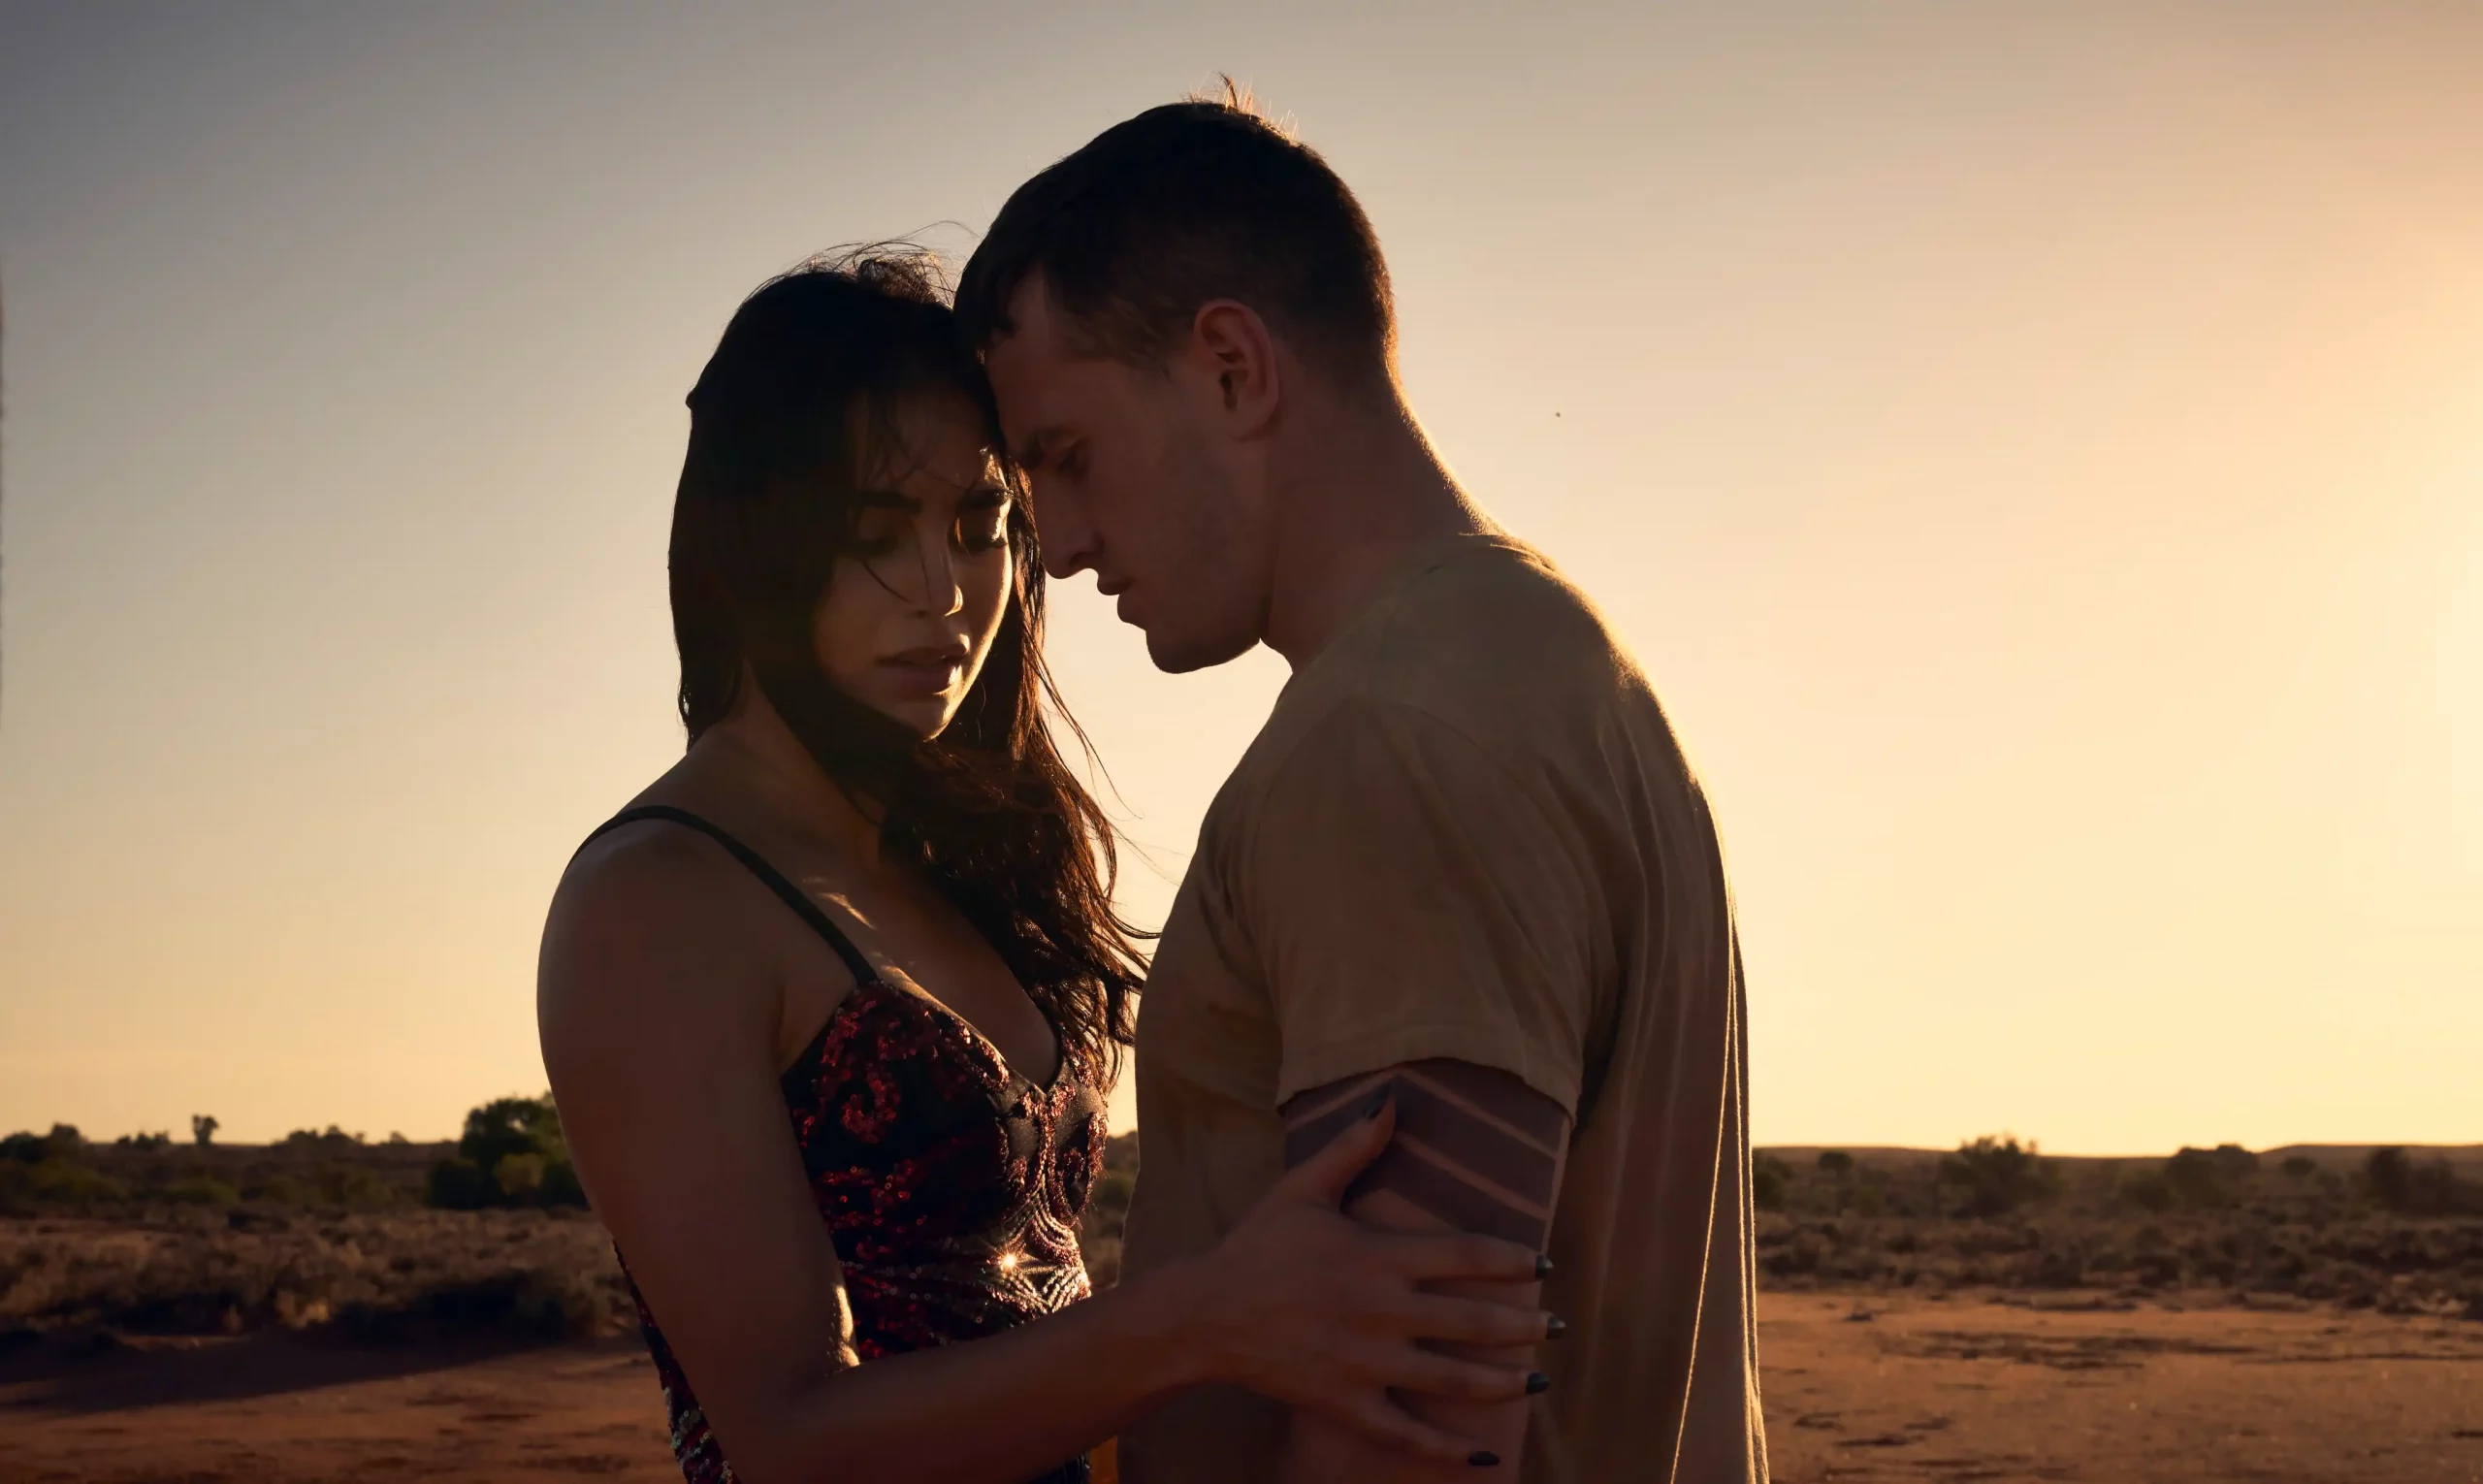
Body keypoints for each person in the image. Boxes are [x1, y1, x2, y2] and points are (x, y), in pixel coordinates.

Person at [536, 252, 1559, 1484]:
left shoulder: (975, 856)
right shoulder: (656, 902)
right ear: (753, 542)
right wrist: (1203, 1321)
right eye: (872, 533)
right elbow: (789, 1440)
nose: (945, 593)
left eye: (977, 526)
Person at [956, 93, 1768, 1483]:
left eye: (1069, 461)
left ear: (1230, 367)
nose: (1064, 547)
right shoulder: (1546, 660)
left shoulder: (1391, 734)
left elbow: (1413, 1425)